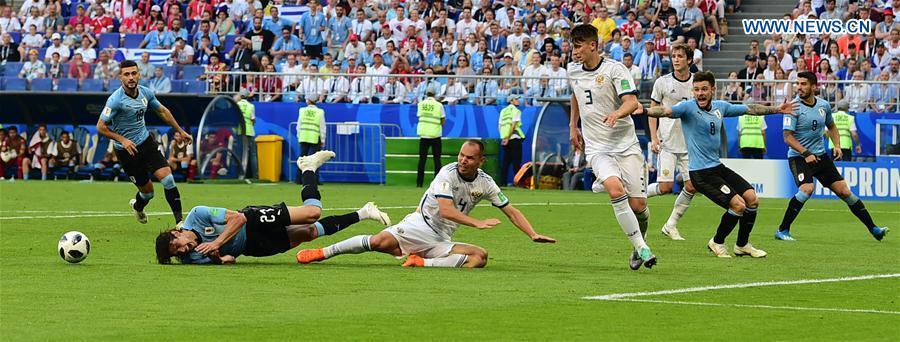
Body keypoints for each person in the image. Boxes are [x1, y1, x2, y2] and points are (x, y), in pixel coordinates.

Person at [297, 140, 556, 268]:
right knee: (377, 243)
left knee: (479, 257)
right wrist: (477, 222)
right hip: (420, 225)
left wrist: (532, 234)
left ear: (481, 161)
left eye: (470, 158)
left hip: (442, 238)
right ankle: (323, 252)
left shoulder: (487, 183)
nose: (463, 160)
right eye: (462, 155)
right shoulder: (447, 173)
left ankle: (422, 263)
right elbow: (446, 210)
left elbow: (510, 210)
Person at [640, 71, 795, 258]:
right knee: (738, 205)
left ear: (713, 89)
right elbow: (664, 111)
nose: (700, 93)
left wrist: (776, 109)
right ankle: (717, 242)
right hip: (700, 173)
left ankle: (742, 245)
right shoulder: (687, 108)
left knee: (752, 199)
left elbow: (750, 109)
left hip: (717, 167)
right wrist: (646, 110)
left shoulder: (721, 107)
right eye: (696, 90)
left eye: (704, 89)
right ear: (693, 91)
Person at [155, 151, 391, 264]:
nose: (183, 251)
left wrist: (216, 243)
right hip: (253, 246)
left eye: (177, 246)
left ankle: (308, 168)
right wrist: (219, 257)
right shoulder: (191, 258)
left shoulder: (196, 214)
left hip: (252, 219)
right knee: (308, 233)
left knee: (312, 214)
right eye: (178, 254)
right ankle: (364, 212)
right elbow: (229, 260)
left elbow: (238, 219)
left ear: (176, 232)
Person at [567, 25, 657, 270]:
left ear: (592, 45)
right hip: (597, 147)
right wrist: (573, 125)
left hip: (626, 145)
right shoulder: (572, 70)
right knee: (616, 192)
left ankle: (640, 239)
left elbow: (632, 101)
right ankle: (642, 248)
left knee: (638, 206)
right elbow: (576, 94)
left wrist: (617, 113)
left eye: (578, 46)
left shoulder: (614, 69)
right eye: (572, 46)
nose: (573, 51)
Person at [774, 72, 889, 242]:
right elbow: (787, 137)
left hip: (820, 157)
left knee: (844, 191)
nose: (799, 87)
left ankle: (874, 229)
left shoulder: (824, 106)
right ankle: (782, 230)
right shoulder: (793, 107)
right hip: (799, 157)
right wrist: (806, 153)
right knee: (806, 189)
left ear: (814, 86)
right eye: (798, 83)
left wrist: (837, 145)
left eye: (803, 84)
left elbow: (832, 126)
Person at [96, 60, 193, 224]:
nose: (131, 77)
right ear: (121, 77)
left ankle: (180, 223)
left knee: (168, 179)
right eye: (127, 74)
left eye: (134, 73)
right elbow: (100, 126)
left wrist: (180, 131)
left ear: (139, 74)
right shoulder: (115, 100)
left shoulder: (146, 93)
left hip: (146, 143)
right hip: (127, 151)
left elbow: (162, 111)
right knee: (148, 193)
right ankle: (138, 207)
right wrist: (122, 140)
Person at [645, 43, 695, 241]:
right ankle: (634, 195)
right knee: (665, 188)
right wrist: (654, 138)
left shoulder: (696, 84)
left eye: (680, 56)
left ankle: (671, 225)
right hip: (667, 142)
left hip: (689, 145)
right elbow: (652, 110)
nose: (675, 59)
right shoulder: (662, 82)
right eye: (674, 56)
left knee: (692, 186)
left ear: (689, 60)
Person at [414, 87, 445, 188]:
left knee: (422, 160)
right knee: (437, 160)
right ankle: (437, 184)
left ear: (426, 94)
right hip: (435, 135)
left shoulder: (421, 104)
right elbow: (443, 120)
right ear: (435, 94)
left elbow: (420, 116)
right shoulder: (439, 105)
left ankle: (419, 183)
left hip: (423, 135)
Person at [296, 97, 326, 180]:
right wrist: (323, 139)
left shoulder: (302, 110)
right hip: (314, 137)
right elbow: (322, 126)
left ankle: (298, 179)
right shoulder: (320, 112)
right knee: (315, 159)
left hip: (303, 137)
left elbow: (299, 125)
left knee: (302, 159)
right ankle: (315, 179)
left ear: (308, 101)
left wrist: (299, 136)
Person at [499, 93, 524, 187]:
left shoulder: (503, 111)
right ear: (511, 101)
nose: (518, 100)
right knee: (516, 162)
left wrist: (504, 138)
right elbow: (513, 125)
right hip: (514, 139)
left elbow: (500, 126)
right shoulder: (516, 111)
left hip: (505, 139)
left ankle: (502, 183)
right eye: (516, 99)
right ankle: (518, 183)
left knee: (506, 162)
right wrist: (509, 137)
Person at [234, 89, 257, 179]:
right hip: (249, 131)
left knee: (240, 154)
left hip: (240, 131)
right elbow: (253, 119)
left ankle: (240, 175)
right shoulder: (251, 106)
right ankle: (255, 175)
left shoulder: (237, 105)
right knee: (252, 154)